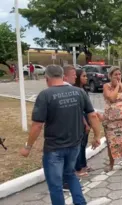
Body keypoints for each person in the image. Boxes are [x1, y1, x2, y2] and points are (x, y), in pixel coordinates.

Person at [20, 65, 102, 205]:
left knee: (55, 185)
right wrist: (97, 136)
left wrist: (28, 147)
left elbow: (37, 125)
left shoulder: (45, 95)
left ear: (47, 78)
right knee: (70, 174)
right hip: (74, 145)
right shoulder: (79, 92)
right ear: (62, 76)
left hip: (54, 149)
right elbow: (92, 115)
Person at [102, 66, 122, 172]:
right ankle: (111, 164)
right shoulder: (106, 86)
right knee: (112, 142)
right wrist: (116, 87)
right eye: (115, 75)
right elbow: (111, 98)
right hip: (111, 121)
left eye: (119, 74)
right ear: (110, 76)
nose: (118, 76)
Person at [74, 69, 93, 176]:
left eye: (86, 76)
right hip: (81, 119)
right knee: (80, 144)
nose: (86, 78)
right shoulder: (76, 91)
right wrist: (85, 123)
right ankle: (78, 168)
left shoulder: (84, 90)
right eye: (84, 76)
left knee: (84, 143)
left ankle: (83, 164)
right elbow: (79, 109)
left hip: (86, 117)